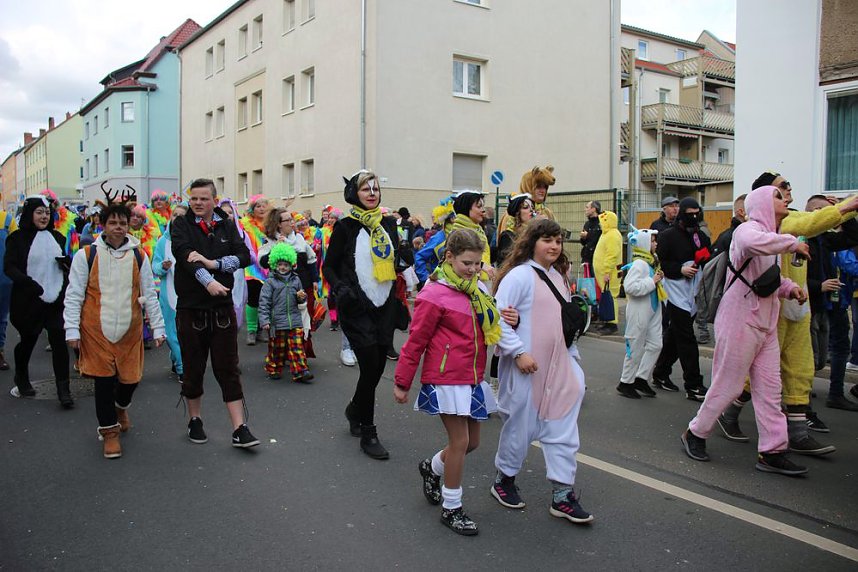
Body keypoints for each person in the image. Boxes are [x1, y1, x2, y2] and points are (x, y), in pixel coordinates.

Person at [720, 173, 858, 451]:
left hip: (798, 307)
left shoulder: (791, 220)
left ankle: (797, 432)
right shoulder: (763, 226)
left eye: (787, 186)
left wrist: (845, 214)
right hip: (767, 311)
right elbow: (806, 222)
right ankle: (727, 415)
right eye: (781, 188)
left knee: (800, 369)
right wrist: (846, 206)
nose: (788, 190)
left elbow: (838, 235)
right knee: (754, 373)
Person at [681, 185, 812, 476]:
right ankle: (696, 432)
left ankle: (772, 451)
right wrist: (792, 243)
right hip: (739, 321)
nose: (785, 199)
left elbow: (766, 281)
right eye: (778, 196)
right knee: (728, 385)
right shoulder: (748, 231)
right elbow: (755, 244)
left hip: (765, 325)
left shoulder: (772, 238)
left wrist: (791, 290)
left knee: (769, 390)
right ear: (762, 203)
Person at [393, 229, 500, 535]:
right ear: (449, 257)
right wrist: (402, 381)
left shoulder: (476, 289)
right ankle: (452, 508)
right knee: (461, 442)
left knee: (473, 442)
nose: (474, 269)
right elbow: (416, 341)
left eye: (478, 264)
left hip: (472, 377)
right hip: (446, 378)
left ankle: (431, 467)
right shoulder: (433, 294)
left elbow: (486, 329)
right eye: (468, 263)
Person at [491, 218, 593, 525]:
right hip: (527, 367)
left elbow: (563, 323)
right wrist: (518, 352)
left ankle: (562, 495)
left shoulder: (559, 277)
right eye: (547, 239)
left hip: (560, 366)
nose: (553, 246)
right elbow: (496, 318)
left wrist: (572, 361)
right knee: (520, 426)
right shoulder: (518, 276)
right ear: (532, 242)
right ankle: (504, 480)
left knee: (563, 429)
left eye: (558, 241)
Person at [64, 202, 166, 458]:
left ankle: (121, 407)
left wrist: (158, 328)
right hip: (95, 330)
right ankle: (110, 433)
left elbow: (149, 294)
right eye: (113, 223)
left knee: (131, 380)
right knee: (103, 381)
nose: (118, 228)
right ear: (104, 225)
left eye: (123, 222)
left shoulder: (138, 255)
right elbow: (74, 294)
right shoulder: (86, 255)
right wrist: (72, 330)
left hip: (130, 331)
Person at [323, 170, 412, 460]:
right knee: (370, 364)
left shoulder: (388, 223)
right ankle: (369, 432)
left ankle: (354, 409)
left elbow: (395, 259)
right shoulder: (345, 227)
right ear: (354, 194)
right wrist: (340, 288)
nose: (372, 193)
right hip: (356, 307)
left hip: (384, 304)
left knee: (374, 369)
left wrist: (404, 259)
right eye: (365, 189)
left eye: (375, 188)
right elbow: (330, 266)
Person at [171, 178, 259, 448]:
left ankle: (239, 427)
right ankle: (195, 420)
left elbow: (245, 255)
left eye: (203, 198)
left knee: (228, 368)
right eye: (194, 198)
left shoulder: (226, 224)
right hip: (191, 309)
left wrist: (215, 263)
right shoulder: (180, 225)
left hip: (222, 309)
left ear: (214, 199)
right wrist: (207, 280)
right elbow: (184, 254)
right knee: (193, 368)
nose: (198, 203)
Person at [4, 196, 72, 406]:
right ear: (30, 214)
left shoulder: (58, 237)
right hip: (28, 299)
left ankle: (64, 389)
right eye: (39, 212)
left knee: (59, 340)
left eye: (47, 213)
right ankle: (21, 377)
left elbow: (64, 263)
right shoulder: (16, 238)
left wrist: (66, 265)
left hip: (55, 299)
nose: (44, 217)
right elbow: (9, 267)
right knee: (28, 340)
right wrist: (26, 282)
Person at [651, 197, 711, 401]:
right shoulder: (668, 236)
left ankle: (660, 373)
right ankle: (693, 384)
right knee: (686, 339)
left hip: (693, 292)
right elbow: (661, 262)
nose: (694, 217)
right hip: (674, 292)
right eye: (690, 213)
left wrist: (702, 259)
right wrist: (680, 269)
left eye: (697, 213)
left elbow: (708, 256)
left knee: (675, 338)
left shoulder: (700, 236)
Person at [258, 208, 319, 359]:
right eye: (287, 220)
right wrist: (277, 248)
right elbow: (263, 262)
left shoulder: (299, 238)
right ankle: (282, 355)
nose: (292, 223)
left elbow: (311, 260)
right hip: (281, 290)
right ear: (278, 224)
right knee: (284, 323)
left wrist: (314, 280)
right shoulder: (270, 241)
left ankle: (300, 354)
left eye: (292, 219)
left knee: (304, 321)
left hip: (303, 287)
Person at [617, 228, 664, 399]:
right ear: (644, 243)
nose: (655, 243)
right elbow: (630, 287)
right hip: (639, 311)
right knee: (635, 346)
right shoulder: (640, 264)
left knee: (656, 344)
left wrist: (655, 280)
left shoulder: (651, 262)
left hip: (653, 309)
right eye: (652, 241)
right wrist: (652, 281)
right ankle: (625, 382)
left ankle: (641, 378)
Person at [258, 243, 313, 383]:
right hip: (277, 322)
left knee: (297, 348)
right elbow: (264, 302)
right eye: (280, 264)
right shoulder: (270, 282)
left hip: (294, 320)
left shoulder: (296, 279)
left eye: (286, 265)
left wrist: (302, 297)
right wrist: (264, 320)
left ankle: (301, 371)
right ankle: (274, 368)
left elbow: (301, 300)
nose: (282, 267)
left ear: (291, 265)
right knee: (277, 349)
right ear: (275, 264)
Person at [151, 203, 189, 382]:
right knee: (172, 332)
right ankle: (182, 367)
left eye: (182, 216)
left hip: (189, 294)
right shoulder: (162, 242)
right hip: (169, 294)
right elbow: (155, 267)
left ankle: (176, 359)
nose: (178, 218)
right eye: (175, 215)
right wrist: (163, 267)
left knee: (186, 332)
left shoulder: (193, 239)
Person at [238, 194, 270, 345]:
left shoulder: (271, 225)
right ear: (252, 209)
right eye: (258, 206)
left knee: (265, 299)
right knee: (253, 298)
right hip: (252, 267)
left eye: (264, 205)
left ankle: (262, 328)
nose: (262, 208)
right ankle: (251, 330)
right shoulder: (245, 224)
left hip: (268, 266)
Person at [216, 198, 251, 331]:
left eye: (230, 212)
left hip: (237, 275)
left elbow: (250, 255)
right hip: (218, 274)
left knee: (237, 304)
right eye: (223, 212)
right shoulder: (213, 232)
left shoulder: (242, 233)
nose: (227, 215)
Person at [592, 210, 622, 335]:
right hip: (606, 273)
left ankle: (612, 323)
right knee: (606, 296)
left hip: (610, 273)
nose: (600, 224)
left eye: (602, 221)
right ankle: (607, 320)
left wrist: (607, 272)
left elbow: (611, 255)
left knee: (611, 296)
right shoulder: (607, 233)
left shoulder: (612, 235)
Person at [414, 199, 456, 284]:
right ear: (452, 219)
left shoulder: (466, 234)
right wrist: (425, 277)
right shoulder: (438, 238)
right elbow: (420, 256)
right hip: (441, 284)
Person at [0, 206, 18, 371]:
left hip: (3, 280)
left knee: (1, 318)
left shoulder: (7, 220)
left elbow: (17, 248)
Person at [497, 194, 535, 267]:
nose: (531, 210)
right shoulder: (508, 235)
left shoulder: (534, 233)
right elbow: (504, 264)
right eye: (525, 207)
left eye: (532, 207)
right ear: (517, 212)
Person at [579, 200, 602, 269]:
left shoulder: (601, 223)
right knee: (587, 279)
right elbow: (584, 242)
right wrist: (583, 238)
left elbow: (598, 239)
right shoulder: (587, 224)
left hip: (598, 258)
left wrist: (588, 236)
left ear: (593, 209)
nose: (585, 209)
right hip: (587, 258)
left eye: (587, 207)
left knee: (596, 279)